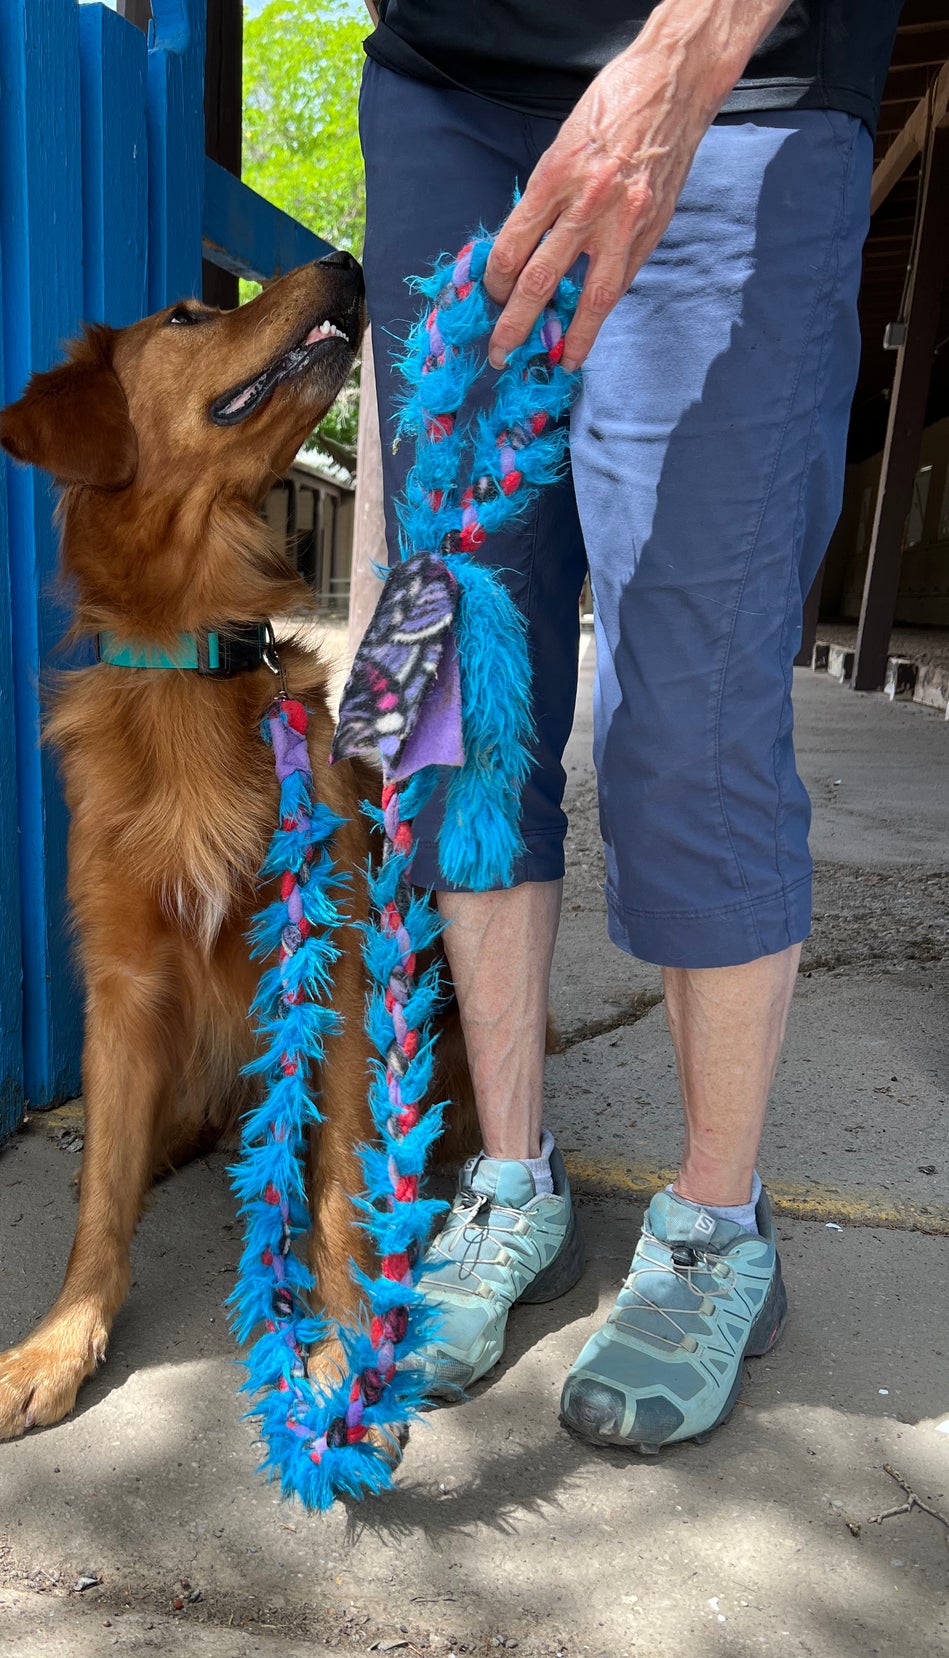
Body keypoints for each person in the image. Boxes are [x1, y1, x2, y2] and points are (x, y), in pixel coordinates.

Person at [357, 0, 903, 1450]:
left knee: (687, 711)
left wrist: (677, 59)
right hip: (441, 93)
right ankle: (510, 1184)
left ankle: (717, 1230)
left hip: (740, 88)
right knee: (464, 689)